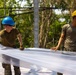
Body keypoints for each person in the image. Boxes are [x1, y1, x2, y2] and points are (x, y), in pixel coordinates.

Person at [51, 10, 76, 75]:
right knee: (61, 67)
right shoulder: (66, 27)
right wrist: (57, 46)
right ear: (74, 18)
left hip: (75, 51)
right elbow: (61, 37)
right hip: (66, 49)